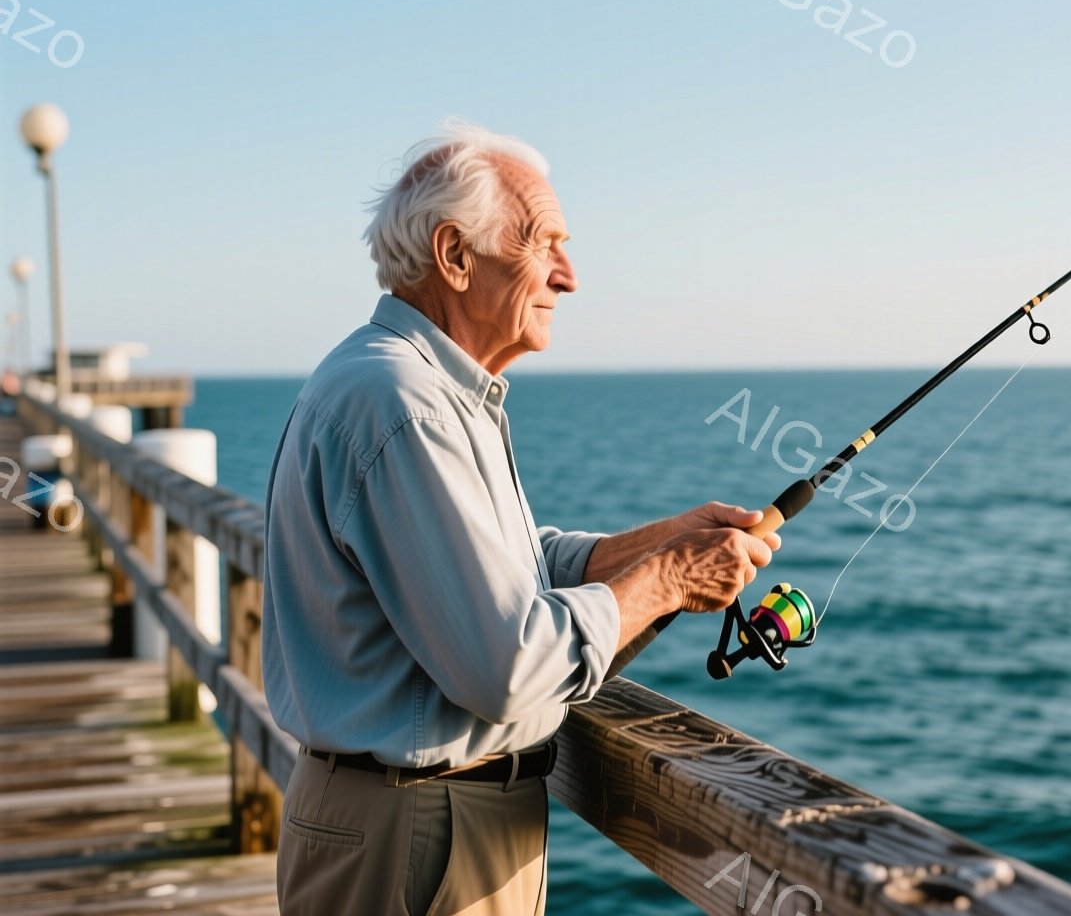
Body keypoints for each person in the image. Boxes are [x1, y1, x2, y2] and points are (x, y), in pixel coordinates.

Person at [261, 119, 777, 916]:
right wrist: (668, 580)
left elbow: (501, 570)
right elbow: (505, 663)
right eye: (544, 244)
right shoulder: (404, 404)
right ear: (455, 256)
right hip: (418, 835)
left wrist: (662, 544)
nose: (567, 277)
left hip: (423, 823)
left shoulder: (409, 387)